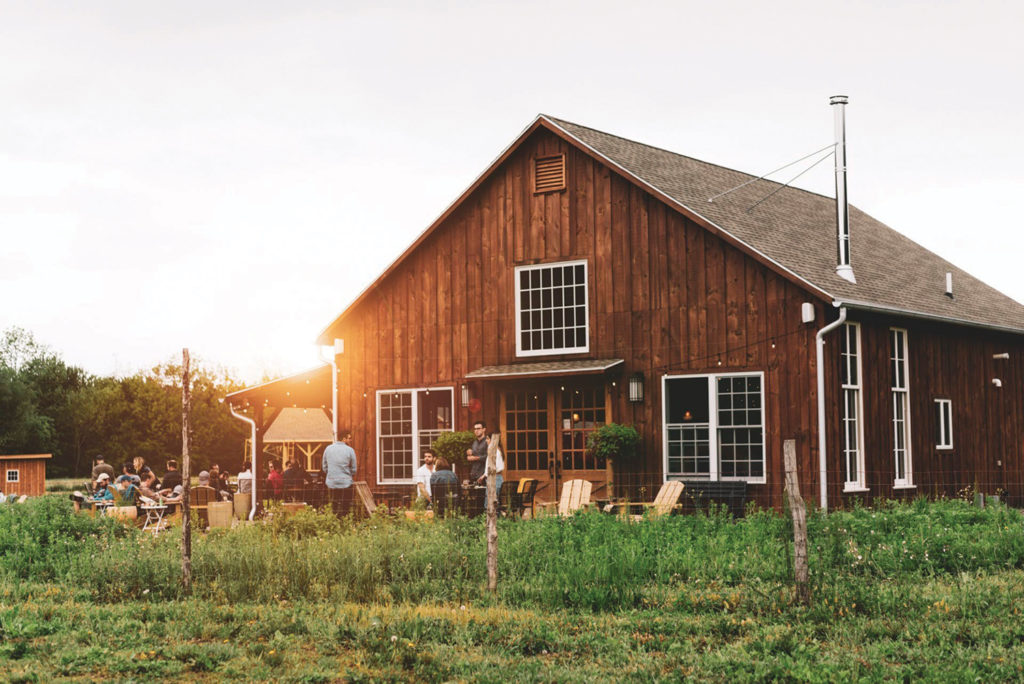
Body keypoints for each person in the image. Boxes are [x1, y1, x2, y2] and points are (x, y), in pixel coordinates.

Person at [322, 429, 357, 518]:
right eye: (349, 438)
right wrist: (349, 474)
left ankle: (334, 521)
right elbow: (354, 469)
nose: (350, 440)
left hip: (332, 483)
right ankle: (344, 522)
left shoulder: (328, 449)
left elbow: (324, 467)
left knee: (334, 505)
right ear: (344, 439)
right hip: (346, 483)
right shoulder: (350, 450)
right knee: (346, 505)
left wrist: (331, 474)